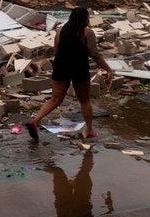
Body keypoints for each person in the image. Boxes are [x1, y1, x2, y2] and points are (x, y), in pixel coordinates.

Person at [25, 7, 113, 140]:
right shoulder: (87, 32)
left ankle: (35, 121)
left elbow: (56, 52)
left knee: (55, 99)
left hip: (61, 65)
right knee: (84, 100)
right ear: (85, 19)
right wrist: (108, 69)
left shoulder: (60, 31)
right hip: (79, 67)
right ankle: (89, 131)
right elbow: (94, 53)